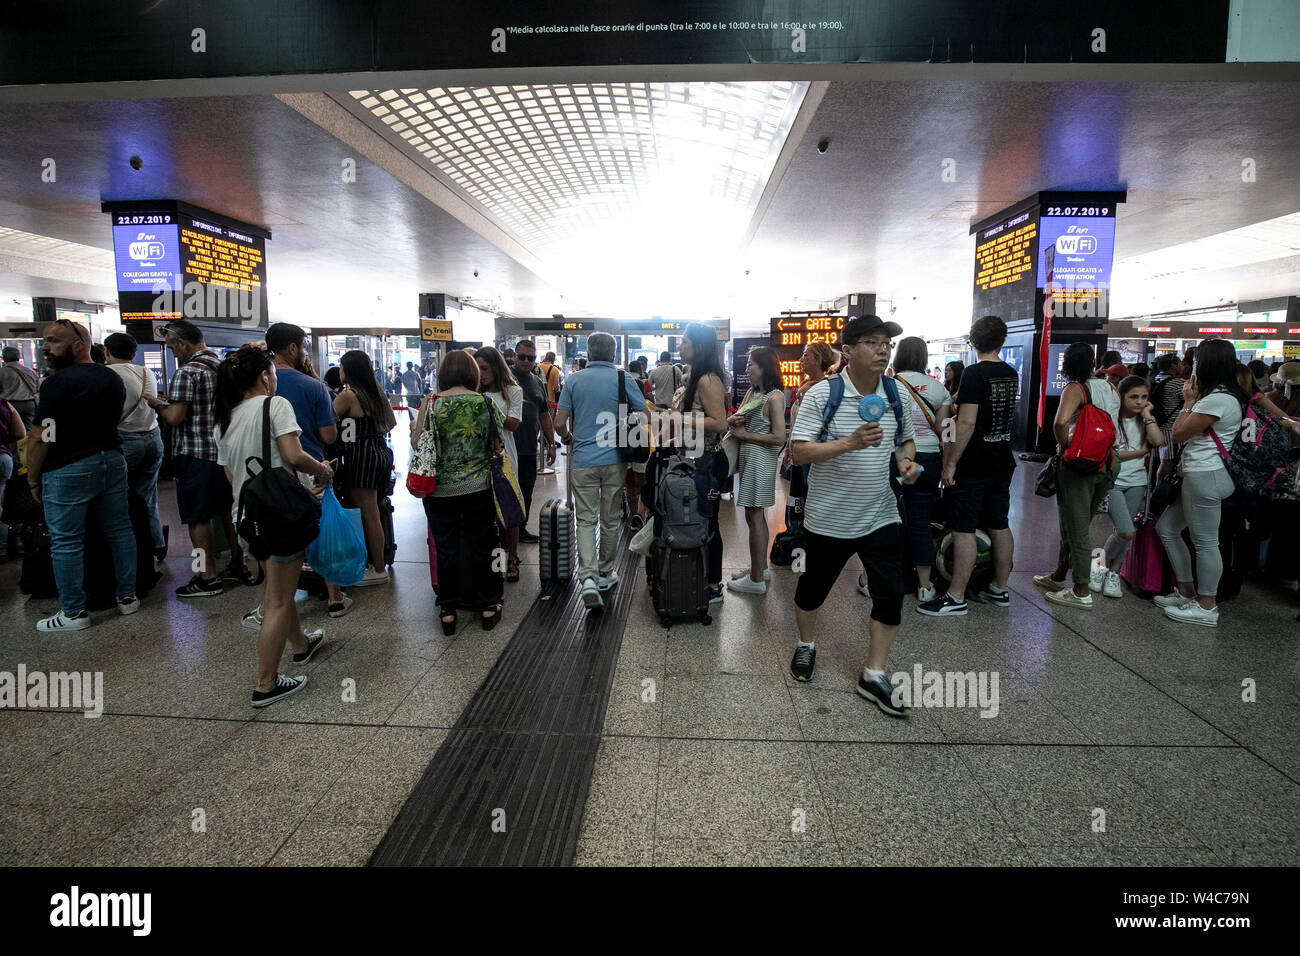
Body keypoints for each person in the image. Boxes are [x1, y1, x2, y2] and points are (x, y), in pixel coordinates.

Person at [787, 315, 921, 711]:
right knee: (812, 592)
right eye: (872, 342)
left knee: (891, 593)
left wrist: (906, 464)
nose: (882, 350)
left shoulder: (897, 393)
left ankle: (874, 674)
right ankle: (806, 644)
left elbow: (906, 441)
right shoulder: (821, 395)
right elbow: (798, 451)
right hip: (828, 518)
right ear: (847, 351)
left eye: (887, 343)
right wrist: (848, 443)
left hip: (880, 514)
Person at [214, 346, 333, 708]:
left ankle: (300, 645)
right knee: (277, 601)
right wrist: (323, 470)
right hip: (278, 516)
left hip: (248, 518)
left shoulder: (226, 417)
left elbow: (231, 475)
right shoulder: (275, 405)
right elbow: (294, 455)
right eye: (272, 372)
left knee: (279, 587)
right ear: (265, 376)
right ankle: (266, 684)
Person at [22, 319, 138, 631]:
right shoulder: (111, 379)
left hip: (68, 468)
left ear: (77, 346)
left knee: (66, 541)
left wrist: (33, 477)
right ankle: (127, 597)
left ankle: (74, 613)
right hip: (112, 461)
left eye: (53, 341)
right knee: (120, 531)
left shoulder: (57, 383)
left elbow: (40, 436)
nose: (45, 347)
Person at [266, 323, 362, 617]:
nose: (305, 352)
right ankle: (334, 596)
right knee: (321, 530)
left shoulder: (258, 386)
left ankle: (273, 603)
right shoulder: (313, 387)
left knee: (276, 538)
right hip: (309, 468)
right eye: (304, 346)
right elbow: (330, 436)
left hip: (268, 474)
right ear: (293, 348)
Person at [925, 317, 1017, 616]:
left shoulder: (975, 374)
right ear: (1001, 341)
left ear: (973, 342)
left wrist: (950, 464)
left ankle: (956, 596)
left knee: (963, 528)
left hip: (975, 462)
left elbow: (966, 422)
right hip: (1002, 459)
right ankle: (1000, 588)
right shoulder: (1009, 372)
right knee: (999, 523)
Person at [1154, 339, 1248, 627]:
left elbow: (1180, 432)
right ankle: (1186, 591)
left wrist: (1189, 401)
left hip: (1205, 474)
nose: (1190, 366)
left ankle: (1207, 605)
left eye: (1194, 361)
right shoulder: (1220, 395)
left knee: (1205, 542)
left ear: (1206, 364)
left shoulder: (1218, 398)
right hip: (1198, 473)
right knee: (1167, 528)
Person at [155, 320, 250, 597]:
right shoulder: (225, 368)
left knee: (197, 517)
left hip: (195, 455)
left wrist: (157, 403)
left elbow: (175, 416)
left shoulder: (188, 372)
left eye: (173, 347)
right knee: (227, 512)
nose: (173, 353)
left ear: (183, 344)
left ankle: (206, 576)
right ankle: (237, 563)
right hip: (225, 453)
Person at [553, 332, 647, 610]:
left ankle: (588, 578)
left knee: (585, 520)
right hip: (615, 459)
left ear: (589, 353)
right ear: (613, 354)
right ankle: (606, 573)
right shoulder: (623, 379)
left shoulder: (574, 380)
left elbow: (559, 424)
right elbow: (645, 416)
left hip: (583, 460)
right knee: (609, 519)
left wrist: (569, 439)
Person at [413, 349, 505, 633]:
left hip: (439, 491)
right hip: (478, 489)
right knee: (484, 545)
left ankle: (449, 610)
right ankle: (489, 604)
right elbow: (497, 443)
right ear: (472, 374)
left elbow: (418, 442)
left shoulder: (430, 404)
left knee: (446, 548)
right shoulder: (485, 403)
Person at [1030, 343, 1121, 607]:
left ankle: (1081, 590)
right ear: (1093, 362)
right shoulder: (1110, 387)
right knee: (1076, 521)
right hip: (1108, 462)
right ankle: (1059, 574)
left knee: (1077, 527)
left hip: (1081, 465)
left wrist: (1065, 445)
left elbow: (1060, 422)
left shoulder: (1075, 389)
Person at [669, 323, 731, 604]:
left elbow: (719, 423)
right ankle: (696, 575)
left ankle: (714, 583)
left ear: (700, 347)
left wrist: (681, 418)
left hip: (706, 460)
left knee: (708, 522)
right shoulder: (690, 377)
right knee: (694, 519)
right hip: (692, 457)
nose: (680, 346)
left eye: (685, 342)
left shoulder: (708, 379)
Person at [890, 336, 953, 601]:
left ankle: (875, 580)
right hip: (927, 458)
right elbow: (946, 431)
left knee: (884, 519)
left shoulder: (889, 385)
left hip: (894, 457)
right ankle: (925, 587)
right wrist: (949, 464)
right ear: (924, 357)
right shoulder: (939, 389)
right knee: (919, 520)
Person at [1093, 376, 1165, 598]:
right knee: (1126, 530)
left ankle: (1113, 573)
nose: (1139, 402)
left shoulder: (1144, 420)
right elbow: (1111, 454)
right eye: (1134, 397)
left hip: (1137, 481)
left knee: (1125, 533)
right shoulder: (1111, 418)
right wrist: (1140, 452)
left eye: (1144, 397)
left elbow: (1159, 440)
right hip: (1113, 481)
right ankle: (1098, 565)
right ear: (1122, 397)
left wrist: (1147, 416)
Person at [332, 350, 398, 587]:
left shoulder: (349, 394)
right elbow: (391, 422)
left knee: (368, 512)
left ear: (348, 370)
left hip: (360, 455)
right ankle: (377, 562)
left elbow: (326, 419)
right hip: (379, 451)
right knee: (375, 510)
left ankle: (377, 568)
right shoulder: (376, 392)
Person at [726, 346, 787, 594]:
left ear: (765, 367)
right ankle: (758, 567)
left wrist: (745, 434)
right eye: (748, 363)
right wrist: (733, 422)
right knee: (753, 515)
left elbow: (779, 437)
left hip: (761, 460)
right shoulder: (753, 392)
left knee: (755, 515)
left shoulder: (775, 397)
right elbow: (738, 417)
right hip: (749, 458)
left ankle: (756, 580)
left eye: (753, 364)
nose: (748, 368)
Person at [104, 333, 166, 559]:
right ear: (133, 353)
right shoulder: (145, 371)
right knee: (147, 496)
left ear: (106, 352)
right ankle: (156, 544)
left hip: (125, 440)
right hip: (153, 438)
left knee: (119, 499)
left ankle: (130, 551)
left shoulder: (107, 373)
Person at [476, 346, 524, 583]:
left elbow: (513, 423)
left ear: (495, 367)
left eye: (484, 368)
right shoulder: (473, 393)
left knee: (508, 507)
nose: (481, 374)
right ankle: (491, 559)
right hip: (478, 458)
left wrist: (488, 407)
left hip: (505, 457)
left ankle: (513, 556)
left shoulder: (513, 391)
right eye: (477, 369)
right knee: (484, 511)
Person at [509, 340, 558, 543]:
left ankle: (521, 529)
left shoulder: (537, 381)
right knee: (508, 493)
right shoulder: (505, 378)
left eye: (531, 358)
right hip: (507, 449)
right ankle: (507, 532)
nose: (526, 361)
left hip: (529, 449)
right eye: (522, 357)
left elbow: (545, 415)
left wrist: (551, 443)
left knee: (526, 491)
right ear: (514, 356)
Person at [1149, 352, 1187, 480]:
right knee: (1167, 462)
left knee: (1154, 461)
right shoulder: (1178, 383)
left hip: (1155, 425)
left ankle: (1151, 488)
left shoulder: (1154, 380)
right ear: (1173, 366)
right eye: (1179, 363)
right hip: (1171, 427)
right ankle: (1161, 490)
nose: (1182, 366)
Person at [0, 346, 40, 428]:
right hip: (29, 404)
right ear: (18, 357)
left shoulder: (2, 372)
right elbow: (37, 388)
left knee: (12, 430)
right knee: (28, 430)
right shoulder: (30, 371)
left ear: (4, 358)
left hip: (10, 405)